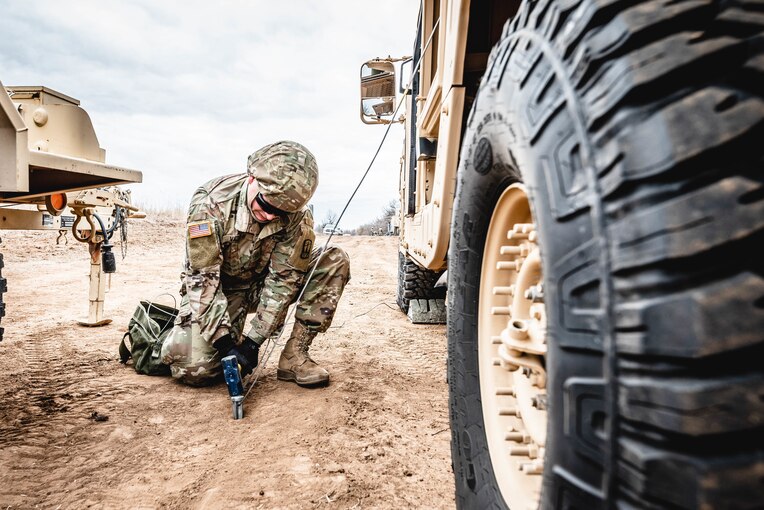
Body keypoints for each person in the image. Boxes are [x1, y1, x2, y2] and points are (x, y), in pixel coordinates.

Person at [161, 140, 350, 387]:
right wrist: (225, 344)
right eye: (266, 205)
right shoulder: (211, 203)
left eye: (279, 213)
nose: (271, 216)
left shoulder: (297, 216)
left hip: (260, 286)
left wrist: (253, 342)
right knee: (197, 370)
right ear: (252, 179)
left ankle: (295, 356)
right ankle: (169, 337)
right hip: (220, 290)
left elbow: (283, 280)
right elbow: (202, 280)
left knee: (333, 259)